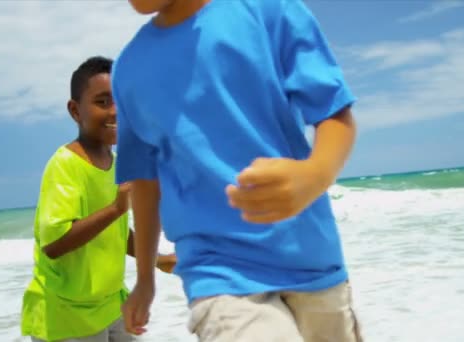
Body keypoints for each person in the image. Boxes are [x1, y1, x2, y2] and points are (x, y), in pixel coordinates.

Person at [113, 0, 362, 341]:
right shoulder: (129, 69)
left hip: (312, 258)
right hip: (215, 270)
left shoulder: (269, 10)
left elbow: (335, 113)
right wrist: (144, 279)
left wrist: (315, 175)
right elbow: (144, 179)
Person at [20, 56, 177, 342]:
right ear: (75, 110)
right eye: (103, 102)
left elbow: (114, 234)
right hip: (68, 315)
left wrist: (155, 259)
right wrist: (117, 208)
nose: (115, 112)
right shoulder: (64, 165)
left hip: (110, 304)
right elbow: (54, 243)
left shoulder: (117, 163)